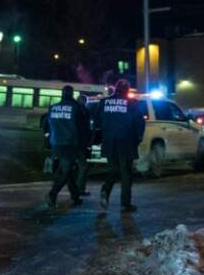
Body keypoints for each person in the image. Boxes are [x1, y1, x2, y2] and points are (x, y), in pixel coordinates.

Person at [93, 79, 145, 212]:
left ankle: (105, 191)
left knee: (112, 169)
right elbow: (139, 123)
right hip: (126, 143)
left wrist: (99, 138)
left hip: (109, 142)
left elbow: (97, 122)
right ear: (127, 90)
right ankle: (125, 204)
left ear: (115, 89)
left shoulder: (104, 102)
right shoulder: (132, 103)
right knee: (126, 173)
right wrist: (138, 139)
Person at [45, 85, 90, 209]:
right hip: (70, 144)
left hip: (56, 143)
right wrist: (85, 144)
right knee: (66, 171)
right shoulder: (76, 108)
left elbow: (47, 125)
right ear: (71, 94)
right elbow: (82, 129)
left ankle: (75, 197)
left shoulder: (53, 108)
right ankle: (52, 194)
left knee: (68, 170)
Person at [75, 94, 92, 196]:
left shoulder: (72, 109)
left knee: (68, 167)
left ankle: (55, 191)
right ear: (85, 102)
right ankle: (79, 190)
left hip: (66, 142)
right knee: (83, 167)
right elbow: (86, 129)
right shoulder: (85, 111)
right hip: (79, 143)